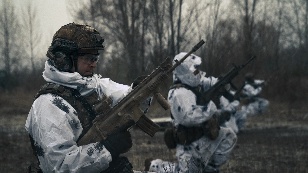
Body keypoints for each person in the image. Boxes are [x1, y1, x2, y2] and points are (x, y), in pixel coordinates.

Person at [25, 23, 146, 173]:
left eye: (95, 58)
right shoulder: (48, 105)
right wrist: (107, 149)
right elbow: (59, 166)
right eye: (88, 58)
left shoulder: (92, 85)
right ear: (65, 59)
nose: (94, 64)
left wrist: (141, 90)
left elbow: (126, 98)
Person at [145, 52, 237, 173]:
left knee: (228, 136)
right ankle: (156, 166)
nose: (198, 72)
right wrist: (212, 107)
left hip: (204, 138)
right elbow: (189, 117)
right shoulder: (179, 93)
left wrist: (222, 82)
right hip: (188, 146)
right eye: (195, 68)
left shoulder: (194, 84)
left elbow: (208, 81)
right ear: (185, 70)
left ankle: (210, 168)